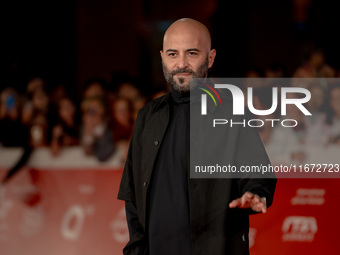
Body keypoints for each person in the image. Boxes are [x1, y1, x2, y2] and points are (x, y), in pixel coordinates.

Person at [118, 18, 276, 255]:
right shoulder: (147, 117)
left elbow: (258, 173)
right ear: (162, 57)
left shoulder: (232, 111)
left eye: (191, 53)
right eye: (173, 54)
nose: (181, 63)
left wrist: (256, 192)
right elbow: (133, 197)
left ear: (210, 58)